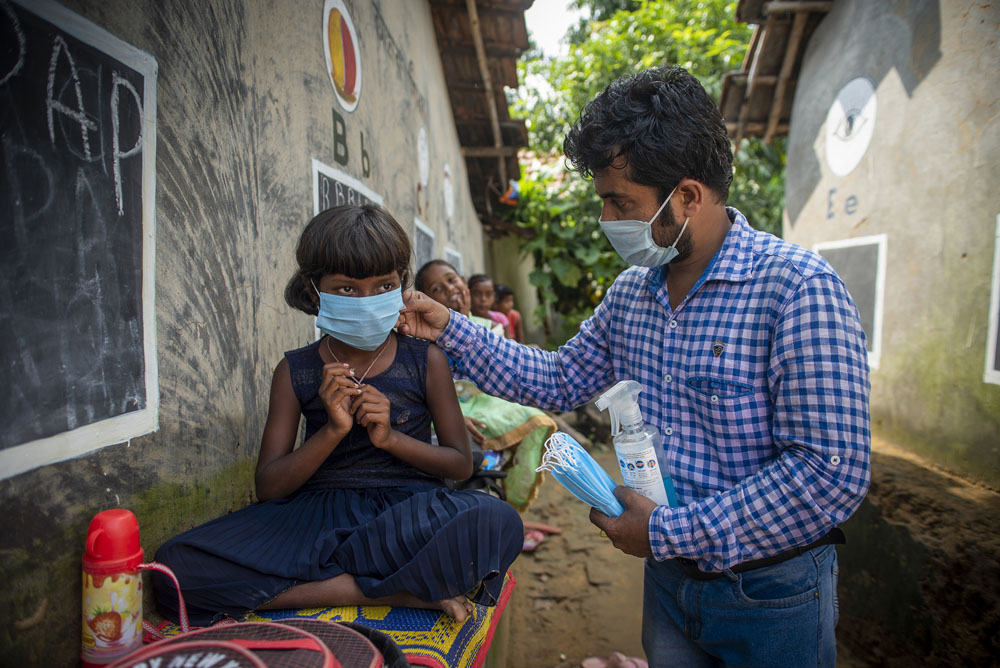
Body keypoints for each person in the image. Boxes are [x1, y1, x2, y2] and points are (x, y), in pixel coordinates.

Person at [399, 66, 870, 667]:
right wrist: (451, 327)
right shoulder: (632, 296)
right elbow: (556, 379)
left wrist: (668, 533)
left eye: (620, 203)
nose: (608, 220)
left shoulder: (797, 291)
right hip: (670, 587)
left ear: (688, 197)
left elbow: (829, 473)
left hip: (771, 596)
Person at [152, 204, 523, 626]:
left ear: (402, 283)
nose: (367, 301)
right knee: (175, 569)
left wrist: (391, 439)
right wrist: (332, 430)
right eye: (348, 289)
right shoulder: (295, 369)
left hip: (405, 517)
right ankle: (394, 590)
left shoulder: (427, 360)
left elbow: (460, 463)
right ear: (315, 292)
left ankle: (348, 580)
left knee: (496, 521)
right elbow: (270, 487)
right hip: (315, 516)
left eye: (384, 285)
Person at [414, 259, 556, 510]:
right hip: (452, 410)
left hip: (490, 403)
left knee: (537, 420)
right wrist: (456, 419)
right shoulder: (424, 339)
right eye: (436, 289)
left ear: (464, 285)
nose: (449, 289)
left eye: (451, 279)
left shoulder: (490, 329)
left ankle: (510, 501)